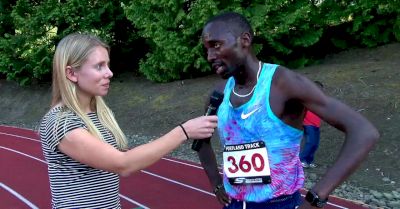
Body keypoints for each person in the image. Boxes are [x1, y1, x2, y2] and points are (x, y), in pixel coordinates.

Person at [197, 12, 379, 209]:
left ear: (245, 40)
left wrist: (315, 199)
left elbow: (364, 132)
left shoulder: (283, 83)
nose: (210, 56)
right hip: (234, 203)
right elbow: (200, 141)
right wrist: (216, 184)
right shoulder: (218, 94)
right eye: (207, 49)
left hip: (280, 203)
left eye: (216, 45)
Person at [39, 33, 218, 209]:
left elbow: (127, 157)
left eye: (108, 65)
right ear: (71, 73)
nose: (109, 73)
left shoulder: (98, 112)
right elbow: (123, 164)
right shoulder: (61, 122)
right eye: (99, 66)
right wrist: (183, 132)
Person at [300, 81, 323, 169]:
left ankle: (309, 161)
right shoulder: (307, 98)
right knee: (310, 142)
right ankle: (301, 160)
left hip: (316, 124)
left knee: (315, 144)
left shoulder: (318, 101)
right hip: (308, 124)